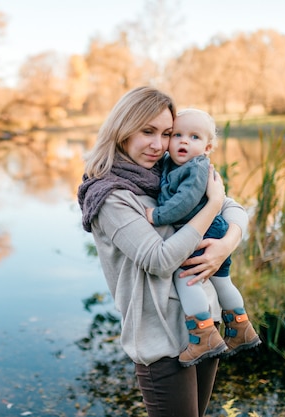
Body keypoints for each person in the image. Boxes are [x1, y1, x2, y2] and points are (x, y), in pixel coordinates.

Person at [77, 86, 249, 417]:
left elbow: (235, 208)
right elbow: (160, 260)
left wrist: (226, 243)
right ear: (122, 129)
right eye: (148, 131)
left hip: (205, 326)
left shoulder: (170, 172)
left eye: (167, 133)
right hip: (161, 339)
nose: (158, 145)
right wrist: (211, 204)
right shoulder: (112, 196)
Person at [145, 108, 261, 368]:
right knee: (222, 281)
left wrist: (158, 215)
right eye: (177, 135)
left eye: (194, 137)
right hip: (215, 229)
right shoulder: (172, 162)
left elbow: (185, 202)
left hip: (204, 232)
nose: (184, 141)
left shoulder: (196, 169)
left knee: (186, 277)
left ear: (207, 148)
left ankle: (202, 336)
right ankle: (241, 327)